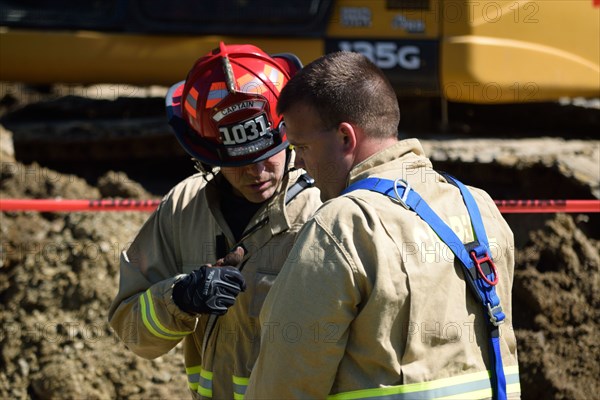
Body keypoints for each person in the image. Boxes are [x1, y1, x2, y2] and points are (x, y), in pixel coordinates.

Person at [245, 51, 521, 399]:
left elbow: (285, 382)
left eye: (302, 147)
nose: (297, 163)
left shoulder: (345, 225)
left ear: (346, 138)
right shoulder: (478, 207)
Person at [108, 43, 321, 399]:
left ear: (290, 136)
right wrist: (179, 298)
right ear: (207, 156)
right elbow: (132, 334)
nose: (257, 172)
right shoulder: (183, 208)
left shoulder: (327, 208)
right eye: (239, 161)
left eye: (268, 155)